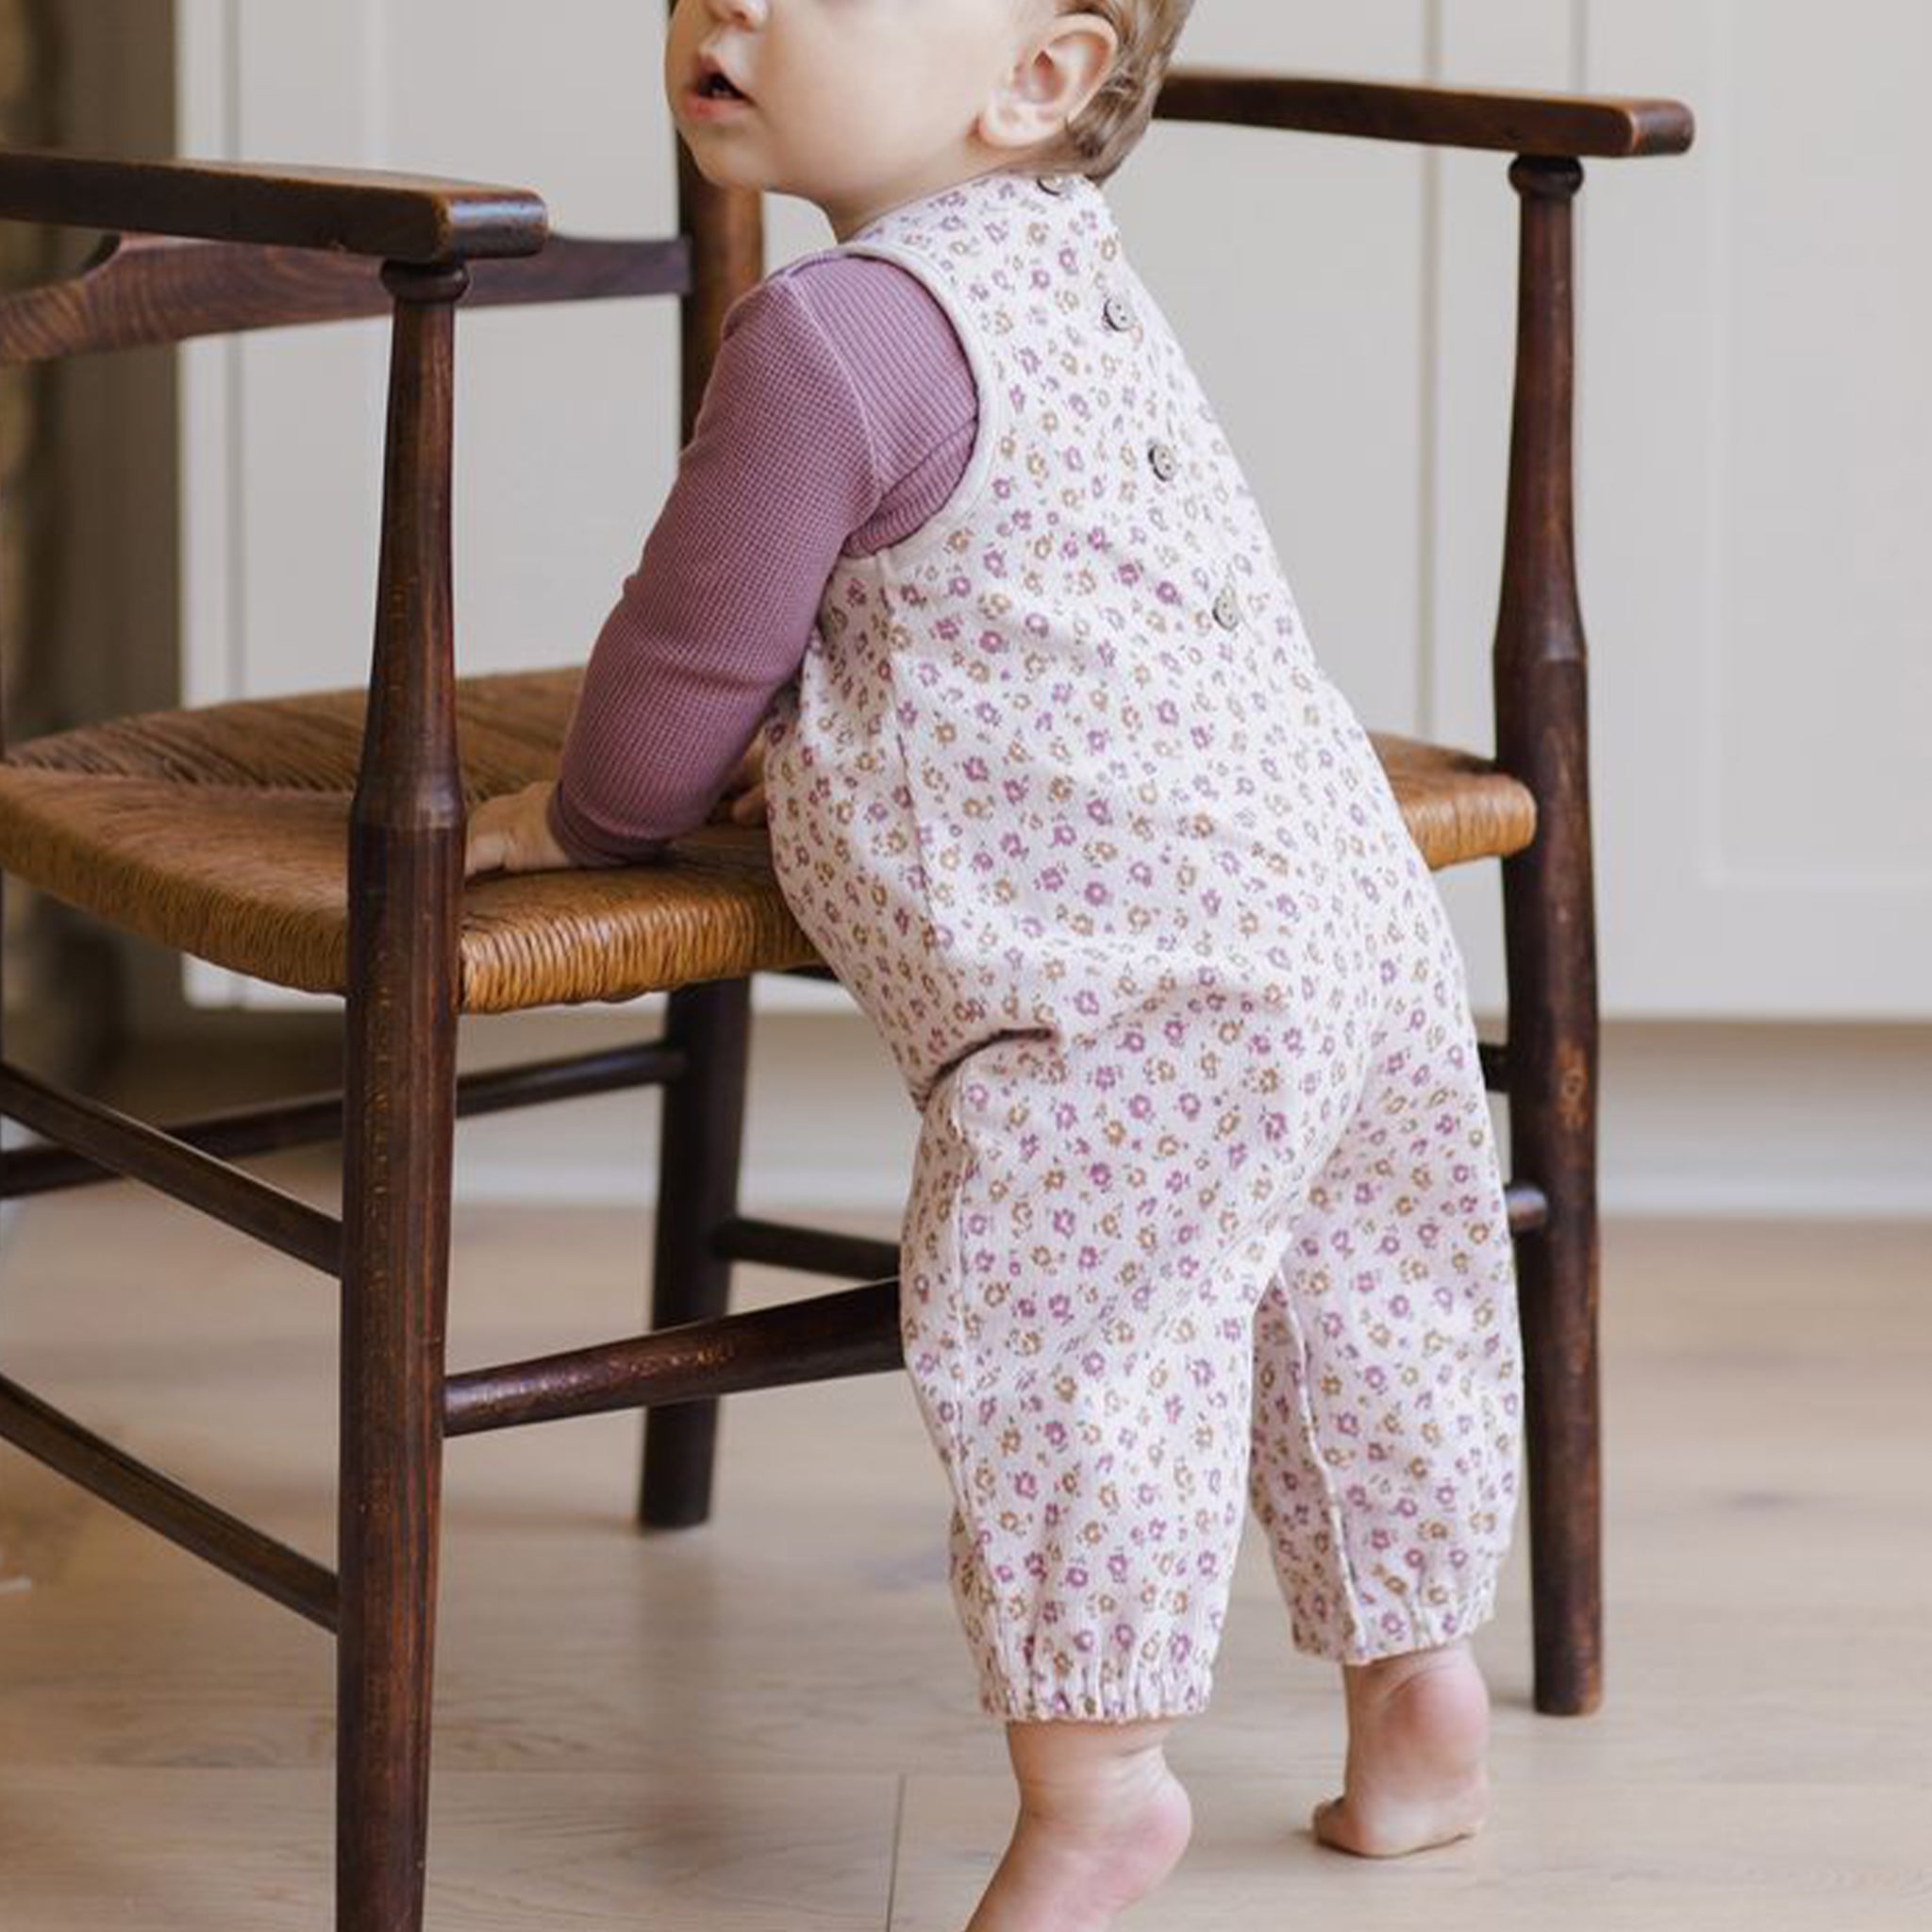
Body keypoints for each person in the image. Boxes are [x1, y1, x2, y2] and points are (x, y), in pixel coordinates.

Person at [466, 3, 1524, 1926]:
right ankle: (1418, 1704)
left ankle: (1103, 1791)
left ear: (1040, 74)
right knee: (1357, 1293)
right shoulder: (1077, 270)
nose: (730, 8)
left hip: (1130, 980)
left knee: (1079, 1347)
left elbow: (689, 659)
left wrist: (586, 822)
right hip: (1347, 911)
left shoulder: (831, 332)